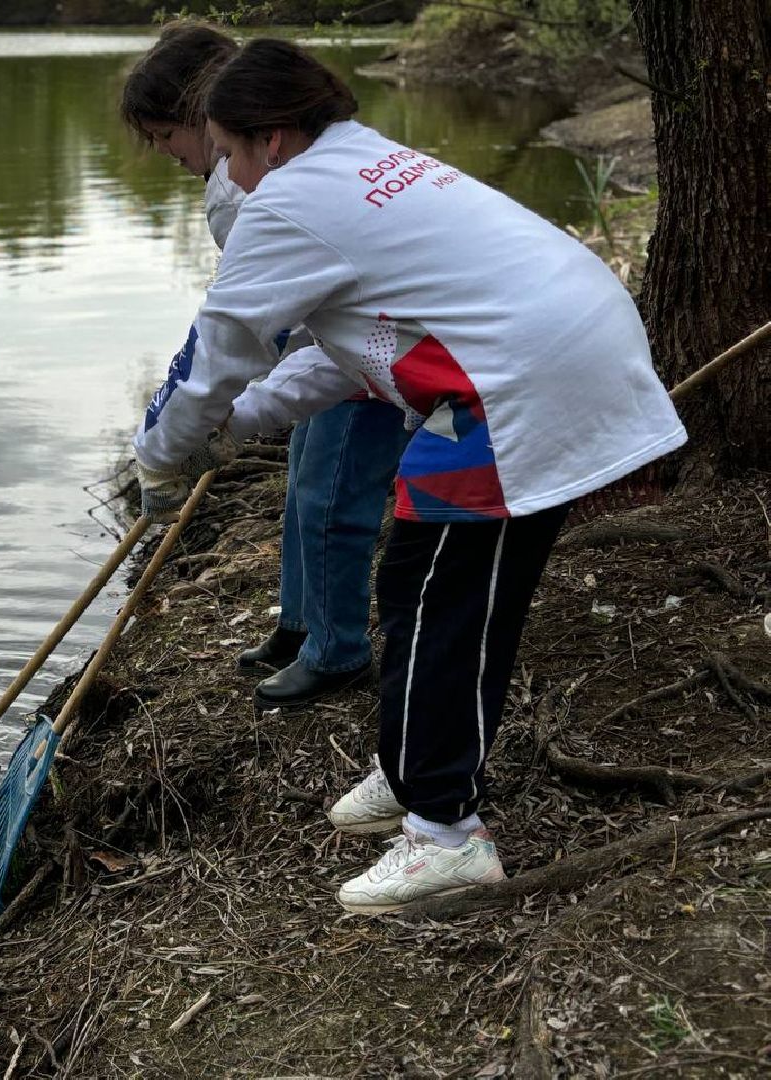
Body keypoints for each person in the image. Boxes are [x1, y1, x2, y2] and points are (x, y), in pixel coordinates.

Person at [133, 38, 686, 912]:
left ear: (271, 139)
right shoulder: (361, 159)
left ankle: (444, 834)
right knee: (435, 588)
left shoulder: (289, 202)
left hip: (518, 380)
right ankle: (413, 768)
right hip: (524, 358)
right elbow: (358, 353)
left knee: (438, 595)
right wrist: (236, 430)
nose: (228, 177)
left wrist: (159, 455)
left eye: (231, 152)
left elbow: (216, 353)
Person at [120, 22, 409, 708]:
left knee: (328, 498)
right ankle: (298, 623)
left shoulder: (236, 189)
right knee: (304, 492)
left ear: (202, 116)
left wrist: (181, 436)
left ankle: (335, 649)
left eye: (166, 137)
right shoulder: (278, 161)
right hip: (335, 353)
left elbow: (253, 322)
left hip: (360, 356)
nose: (167, 154)